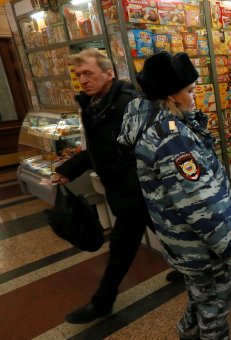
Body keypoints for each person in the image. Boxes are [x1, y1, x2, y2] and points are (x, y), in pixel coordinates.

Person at [117, 51, 231, 339]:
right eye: (189, 91)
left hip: (184, 243)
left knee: (200, 299)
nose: (194, 97)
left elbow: (205, 177)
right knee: (214, 311)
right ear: (171, 95)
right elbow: (198, 201)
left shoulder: (157, 123)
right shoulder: (169, 135)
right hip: (201, 248)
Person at [51, 48, 155, 324]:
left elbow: (147, 148)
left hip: (141, 193)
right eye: (79, 75)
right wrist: (68, 170)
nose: (82, 80)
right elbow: (101, 150)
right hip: (129, 194)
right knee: (175, 237)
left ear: (109, 73)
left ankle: (102, 301)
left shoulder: (127, 103)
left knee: (122, 247)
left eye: (88, 73)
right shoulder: (95, 105)